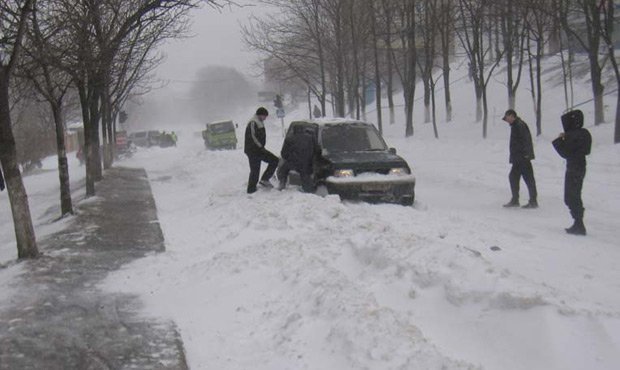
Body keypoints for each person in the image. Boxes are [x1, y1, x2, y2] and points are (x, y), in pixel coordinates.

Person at [552, 109, 592, 235]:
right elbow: (586, 150)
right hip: (581, 165)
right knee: (575, 194)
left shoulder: (572, 135)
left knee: (571, 196)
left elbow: (565, 152)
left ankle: (579, 223)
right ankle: (578, 222)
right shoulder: (585, 133)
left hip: (573, 166)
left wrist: (559, 141)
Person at [502, 109, 538, 208]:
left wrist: (526, 154)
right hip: (518, 158)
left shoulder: (519, 125)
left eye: (507, 118)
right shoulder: (515, 126)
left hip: (522, 158)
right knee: (513, 177)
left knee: (528, 179)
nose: (507, 121)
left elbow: (526, 140)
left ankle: (533, 201)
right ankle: (515, 199)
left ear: (512, 116)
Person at [244, 107, 279, 194]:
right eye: (264, 116)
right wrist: (260, 146)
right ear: (260, 115)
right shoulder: (253, 122)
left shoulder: (259, 122)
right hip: (253, 150)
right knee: (255, 169)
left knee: (274, 160)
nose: (265, 118)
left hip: (259, 149)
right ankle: (251, 189)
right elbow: (252, 136)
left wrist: (261, 147)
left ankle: (264, 179)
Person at [277, 126, 318, 192]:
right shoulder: (310, 138)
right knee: (305, 177)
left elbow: (283, 153)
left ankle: (282, 183)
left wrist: (290, 158)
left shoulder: (289, 139)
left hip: (293, 163)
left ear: (294, 131)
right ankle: (309, 190)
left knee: (283, 169)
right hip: (307, 163)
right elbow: (317, 150)